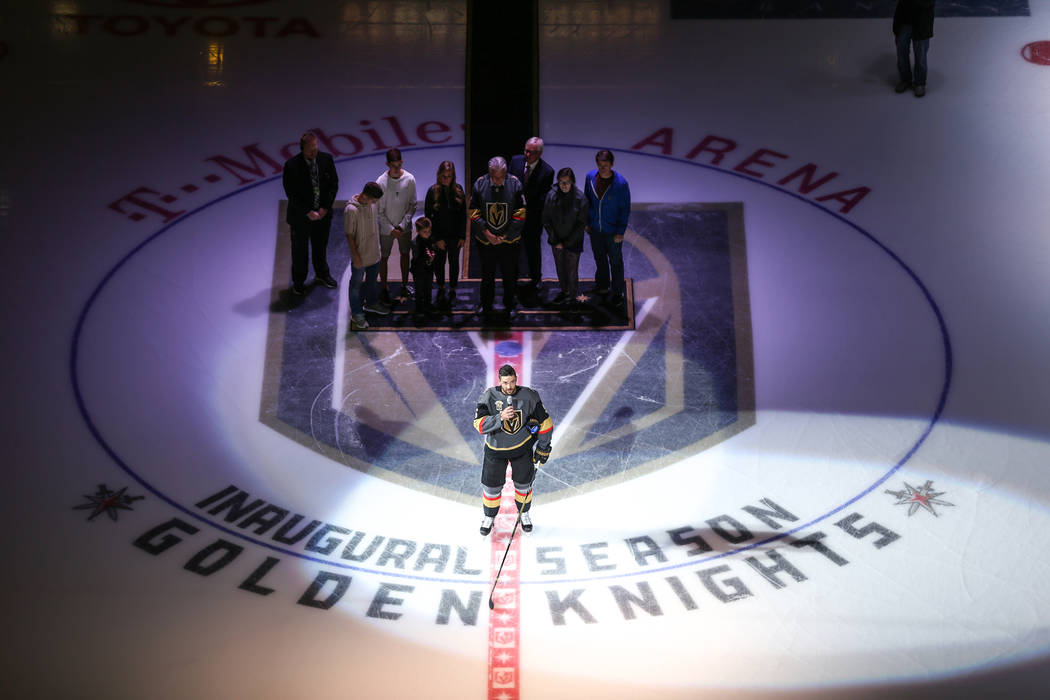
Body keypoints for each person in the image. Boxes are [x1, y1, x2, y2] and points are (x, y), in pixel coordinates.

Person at [473, 364, 552, 536]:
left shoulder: (529, 396)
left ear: (516, 379)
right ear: (499, 380)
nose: (509, 386)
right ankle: (489, 516)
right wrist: (499, 417)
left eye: (512, 381)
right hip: (495, 450)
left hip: (521, 449)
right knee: (491, 488)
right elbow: (479, 425)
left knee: (524, 485)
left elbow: (545, 423)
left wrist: (543, 448)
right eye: (505, 382)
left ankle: (524, 513)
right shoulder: (488, 396)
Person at [281, 132, 339, 295]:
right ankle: (299, 281)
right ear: (303, 149)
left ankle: (322, 274)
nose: (314, 152)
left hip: (322, 216)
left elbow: (333, 185)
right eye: (310, 150)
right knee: (300, 252)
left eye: (316, 148)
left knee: (320, 247)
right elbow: (291, 193)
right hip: (301, 219)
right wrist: (307, 212)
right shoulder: (291, 166)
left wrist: (325, 208)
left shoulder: (326, 160)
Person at [469, 156, 526, 318]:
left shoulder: (515, 184)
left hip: (509, 241)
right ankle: (486, 304)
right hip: (485, 241)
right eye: (495, 177)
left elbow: (520, 213)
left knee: (509, 275)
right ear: (489, 172)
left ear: (506, 172)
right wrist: (487, 233)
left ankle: (510, 304)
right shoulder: (480, 184)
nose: (498, 180)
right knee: (487, 275)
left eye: (501, 176)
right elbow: (473, 212)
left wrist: (505, 235)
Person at [584, 149, 631, 312]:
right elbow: (587, 201)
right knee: (600, 259)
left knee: (616, 262)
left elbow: (625, 209)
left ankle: (617, 292)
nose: (602, 168)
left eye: (605, 165)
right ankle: (603, 286)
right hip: (595, 229)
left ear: (612, 164)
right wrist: (587, 222)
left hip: (613, 232)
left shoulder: (621, 184)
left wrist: (620, 231)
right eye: (600, 165)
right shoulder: (590, 177)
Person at [508, 137, 555, 302]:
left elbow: (542, 199)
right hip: (513, 217)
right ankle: (512, 279)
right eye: (526, 150)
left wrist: (525, 204)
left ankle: (536, 278)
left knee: (533, 250)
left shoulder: (547, 171)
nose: (527, 154)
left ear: (540, 153)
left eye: (532, 152)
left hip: (532, 218)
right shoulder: (515, 161)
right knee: (512, 249)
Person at [344, 182, 390, 331]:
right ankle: (357, 314)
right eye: (374, 200)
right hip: (361, 257)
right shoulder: (351, 210)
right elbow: (349, 235)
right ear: (366, 196)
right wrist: (356, 257)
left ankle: (371, 304)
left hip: (374, 254)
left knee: (371, 282)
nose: (375, 203)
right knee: (356, 286)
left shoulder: (372, 205)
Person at [376, 148, 417, 303]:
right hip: (388, 229)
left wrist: (401, 226)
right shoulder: (381, 182)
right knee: (384, 257)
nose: (396, 168)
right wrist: (391, 229)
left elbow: (412, 205)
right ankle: (384, 287)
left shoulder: (410, 179)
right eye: (393, 165)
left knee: (405, 254)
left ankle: (405, 284)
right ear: (387, 164)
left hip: (403, 228)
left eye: (398, 165)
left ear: (402, 162)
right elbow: (379, 211)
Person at [542, 167, 588, 307]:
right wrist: (556, 240)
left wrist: (567, 243)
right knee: (560, 269)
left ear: (572, 182)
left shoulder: (580, 198)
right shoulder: (551, 195)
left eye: (567, 182)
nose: (564, 185)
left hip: (573, 242)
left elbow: (581, 224)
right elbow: (546, 219)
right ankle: (564, 292)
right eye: (561, 182)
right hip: (557, 241)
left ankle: (572, 297)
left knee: (572, 271)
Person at [424, 161, 467, 306]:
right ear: (439, 175)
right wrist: (436, 239)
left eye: (449, 176)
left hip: (455, 237)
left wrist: (462, 236)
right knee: (439, 264)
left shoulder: (459, 190)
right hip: (439, 237)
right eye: (443, 176)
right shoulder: (432, 192)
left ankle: (453, 289)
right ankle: (441, 287)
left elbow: (463, 216)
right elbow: (428, 219)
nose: (446, 179)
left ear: (453, 176)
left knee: (454, 263)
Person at [893, 0, 935, 97]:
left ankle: (919, 83)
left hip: (922, 20)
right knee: (901, 51)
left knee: (921, 55)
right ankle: (905, 80)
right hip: (904, 19)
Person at [410, 217, 439, 323]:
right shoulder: (415, 243)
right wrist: (428, 258)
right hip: (418, 270)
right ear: (418, 231)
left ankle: (428, 304)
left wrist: (433, 255)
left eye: (429, 231)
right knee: (419, 290)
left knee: (428, 287)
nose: (428, 234)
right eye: (425, 232)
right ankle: (419, 308)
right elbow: (417, 258)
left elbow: (434, 248)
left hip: (429, 269)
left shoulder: (431, 239)